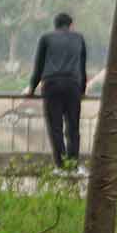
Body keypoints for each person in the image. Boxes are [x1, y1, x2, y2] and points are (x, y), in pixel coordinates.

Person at [26, 11, 88, 170]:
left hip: (52, 85)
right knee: (73, 126)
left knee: (55, 127)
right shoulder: (79, 38)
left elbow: (39, 66)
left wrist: (32, 88)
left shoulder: (46, 38)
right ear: (71, 25)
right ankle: (73, 164)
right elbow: (82, 66)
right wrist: (82, 89)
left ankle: (60, 164)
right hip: (73, 85)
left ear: (55, 25)